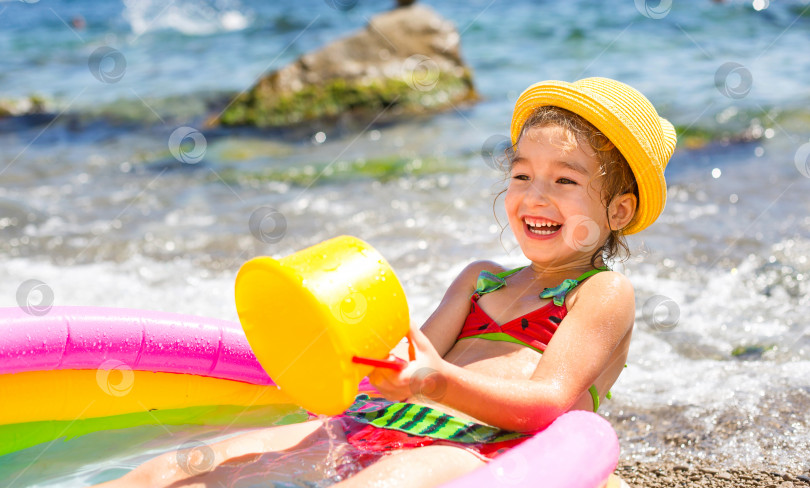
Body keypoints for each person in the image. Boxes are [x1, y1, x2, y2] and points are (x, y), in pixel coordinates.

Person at [95, 77, 676, 488]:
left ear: (619, 212)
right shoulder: (478, 280)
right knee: (189, 468)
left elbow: (547, 403)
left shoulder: (599, 292)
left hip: (474, 449)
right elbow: (407, 359)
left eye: (565, 180)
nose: (534, 194)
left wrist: (439, 382)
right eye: (521, 173)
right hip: (378, 425)